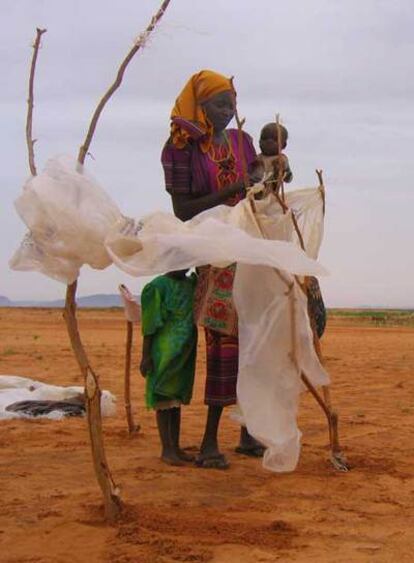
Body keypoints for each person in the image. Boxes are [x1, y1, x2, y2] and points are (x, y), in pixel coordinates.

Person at [161, 69, 264, 469]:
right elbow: (182, 210)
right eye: (221, 104)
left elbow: (259, 189)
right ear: (199, 104)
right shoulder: (180, 147)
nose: (229, 111)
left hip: (250, 252)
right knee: (224, 345)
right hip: (215, 258)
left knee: (258, 342)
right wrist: (229, 191)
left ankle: (249, 432)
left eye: (233, 104)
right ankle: (208, 444)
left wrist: (267, 178)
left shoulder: (242, 141)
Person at [140, 269, 197, 466]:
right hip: (164, 351)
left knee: (175, 399)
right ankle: (167, 449)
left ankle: (176, 446)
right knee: (164, 397)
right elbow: (149, 325)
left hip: (184, 352)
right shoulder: (157, 287)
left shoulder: (189, 284)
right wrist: (145, 355)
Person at [250, 122, 293, 186]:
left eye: (275, 139)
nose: (268, 142)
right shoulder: (256, 157)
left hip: (270, 190)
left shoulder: (282, 159)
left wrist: (281, 171)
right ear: (259, 141)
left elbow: (288, 179)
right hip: (252, 187)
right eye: (264, 138)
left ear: (283, 145)